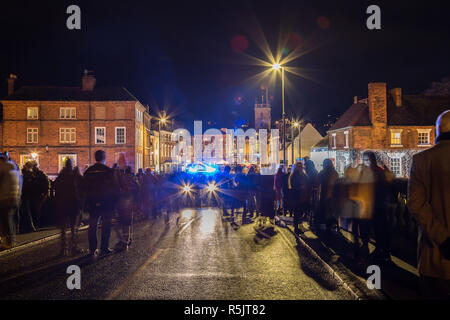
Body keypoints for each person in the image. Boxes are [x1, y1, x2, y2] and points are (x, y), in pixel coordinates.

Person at [408, 110, 450, 298]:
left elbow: (416, 204)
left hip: (434, 252)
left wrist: (442, 237)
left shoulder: (422, 160)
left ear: (437, 131)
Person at [83, 150, 120, 257]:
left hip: (92, 203)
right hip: (106, 203)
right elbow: (115, 189)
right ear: (104, 158)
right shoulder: (108, 171)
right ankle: (104, 247)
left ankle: (92, 248)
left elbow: (83, 189)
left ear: (95, 158)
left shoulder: (88, 171)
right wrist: (114, 203)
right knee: (106, 226)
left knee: (93, 226)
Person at [54, 158, 83, 256]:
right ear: (71, 164)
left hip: (62, 205)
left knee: (63, 229)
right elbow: (82, 188)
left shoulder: (61, 175)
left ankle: (63, 249)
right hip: (73, 205)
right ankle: (74, 247)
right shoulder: (75, 175)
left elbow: (55, 187)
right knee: (73, 228)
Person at [0, 153, 21, 249]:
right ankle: (11, 240)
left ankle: (8, 241)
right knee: (10, 218)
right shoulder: (15, 169)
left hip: (5, 197)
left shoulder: (3, 169)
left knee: (6, 219)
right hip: (14, 197)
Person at [115, 166, 137, 251]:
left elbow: (118, 191)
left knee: (123, 223)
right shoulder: (133, 180)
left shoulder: (122, 180)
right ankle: (127, 239)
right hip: (129, 203)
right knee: (127, 223)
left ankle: (125, 240)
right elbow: (137, 190)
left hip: (122, 203)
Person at [317, 159, 339, 235]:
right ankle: (330, 227)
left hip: (324, 195)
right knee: (331, 212)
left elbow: (317, 183)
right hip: (333, 196)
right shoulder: (335, 173)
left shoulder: (322, 173)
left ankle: (326, 228)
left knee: (324, 212)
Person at [289, 162, 309, 235]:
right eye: (299, 166)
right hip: (298, 196)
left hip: (303, 196)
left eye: (301, 166)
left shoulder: (303, 175)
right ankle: (296, 228)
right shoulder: (295, 175)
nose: (301, 167)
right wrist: (301, 187)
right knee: (297, 212)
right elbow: (294, 186)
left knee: (300, 211)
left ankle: (298, 226)